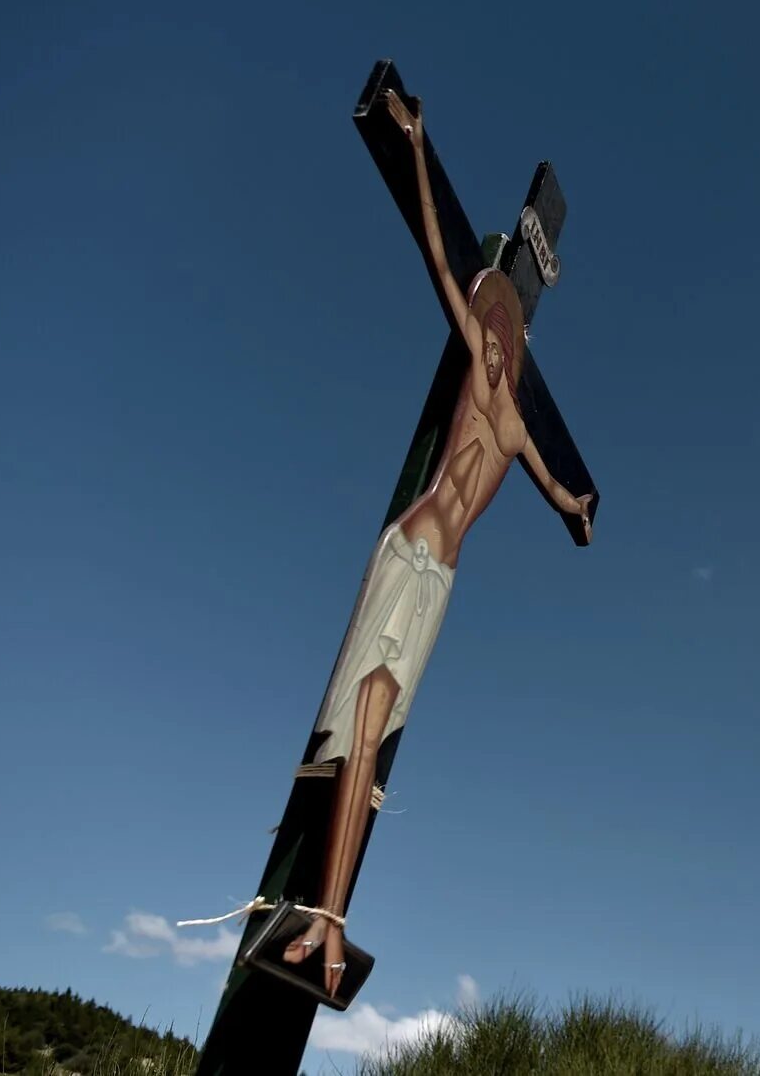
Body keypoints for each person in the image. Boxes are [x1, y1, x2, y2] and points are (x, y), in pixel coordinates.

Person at [277, 89, 594, 997]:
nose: (493, 339)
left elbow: (559, 487)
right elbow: (436, 253)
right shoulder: (471, 349)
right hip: (411, 548)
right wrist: (417, 144)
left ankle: (330, 920)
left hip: (441, 579)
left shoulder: (520, 428)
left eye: (502, 332)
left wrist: (578, 507)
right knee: (362, 719)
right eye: (489, 327)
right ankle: (326, 920)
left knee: (376, 742)